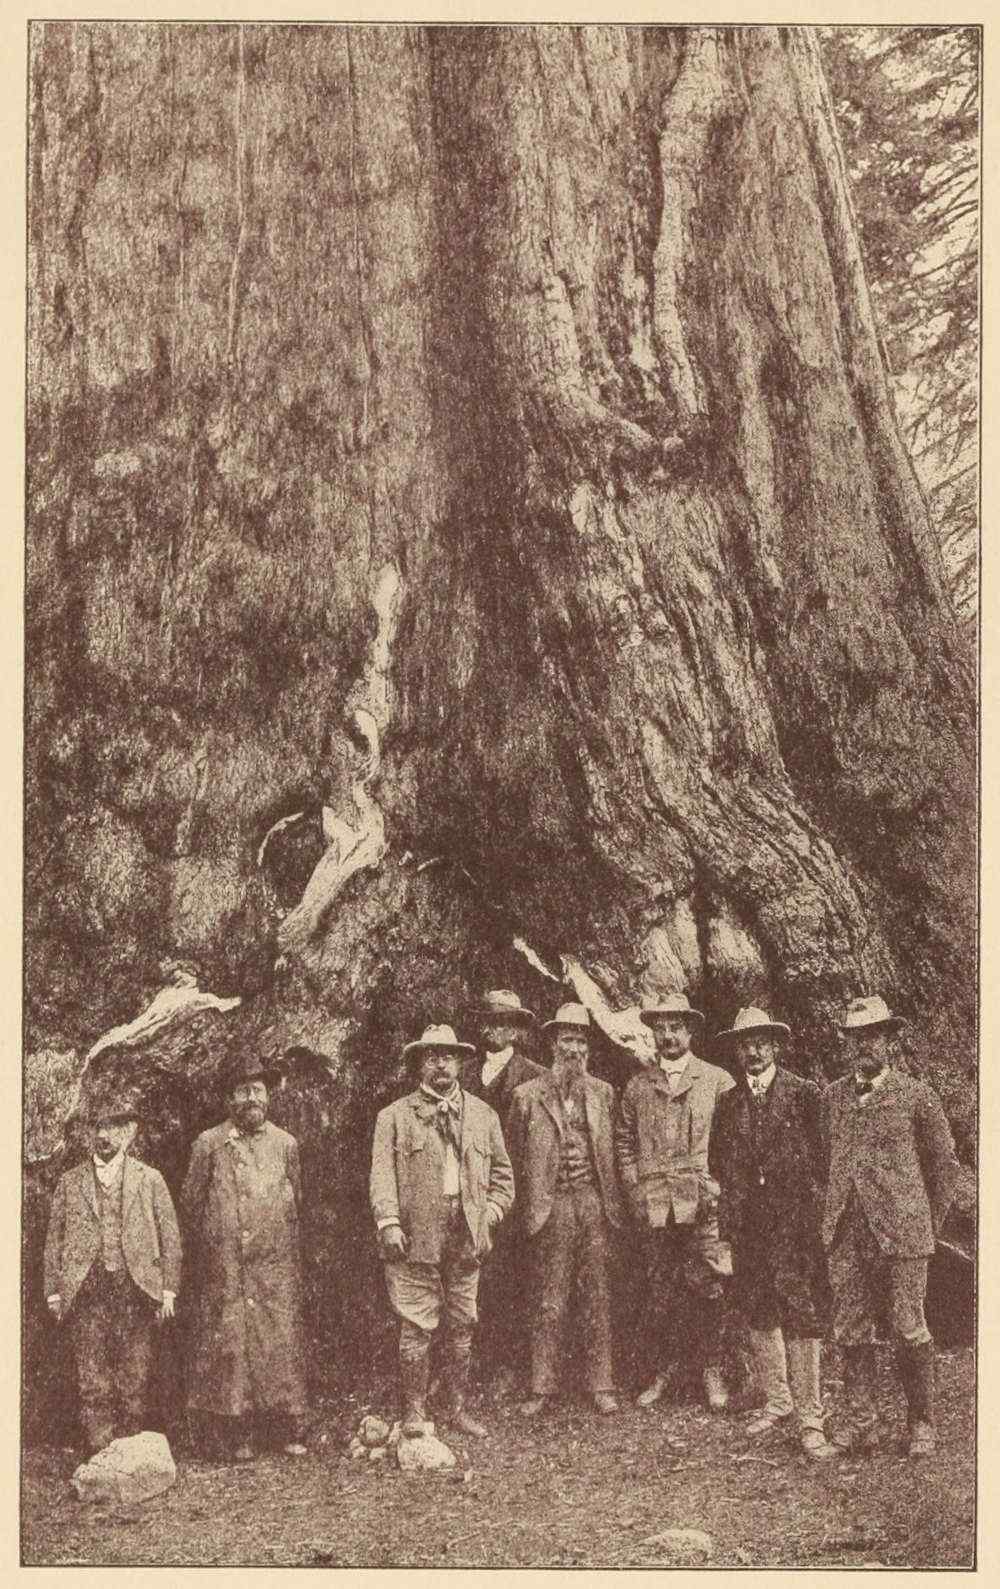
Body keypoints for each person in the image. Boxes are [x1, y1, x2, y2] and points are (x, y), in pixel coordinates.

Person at [822, 995, 959, 1457]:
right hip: (847, 1232)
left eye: (873, 1036)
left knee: (907, 1325)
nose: (864, 1045)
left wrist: (925, 1224)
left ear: (890, 1040)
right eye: (856, 1037)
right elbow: (828, 1162)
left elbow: (944, 1167)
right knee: (851, 1328)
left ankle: (921, 1422)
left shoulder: (916, 1094)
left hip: (903, 1234)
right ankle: (865, 1424)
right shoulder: (834, 1097)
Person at [370, 1023, 515, 1437]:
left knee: (462, 1323)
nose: (441, 1066)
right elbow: (381, 1178)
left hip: (467, 1235)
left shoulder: (484, 1116)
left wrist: (490, 1213)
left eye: (448, 1057)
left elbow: (504, 1177)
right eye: (431, 1057)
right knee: (416, 1324)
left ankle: (456, 1408)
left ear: (461, 1063)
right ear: (419, 1064)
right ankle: (415, 1412)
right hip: (415, 1236)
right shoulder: (394, 1117)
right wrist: (389, 1222)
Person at [709, 1007, 837, 1459]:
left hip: (796, 1225)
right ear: (737, 1050)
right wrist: (727, 1232)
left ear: (776, 1046)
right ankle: (778, 1401)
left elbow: (825, 1165)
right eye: (745, 1043)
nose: (754, 1050)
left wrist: (818, 1223)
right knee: (761, 1312)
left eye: (761, 1041)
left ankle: (810, 1417)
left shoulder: (804, 1095)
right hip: (750, 1228)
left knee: (802, 1314)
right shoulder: (728, 1103)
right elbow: (719, 1169)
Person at [182, 1056, 310, 1462]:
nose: (251, 1098)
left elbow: (298, 1201)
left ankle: (285, 1427)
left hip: (274, 1267)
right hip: (228, 1269)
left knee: (279, 1344)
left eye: (258, 1090)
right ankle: (238, 1433)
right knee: (232, 1350)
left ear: (268, 1096)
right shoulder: (208, 1144)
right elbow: (191, 1204)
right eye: (242, 1091)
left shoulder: (286, 1144)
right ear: (228, 1099)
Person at [43, 1091, 181, 1455]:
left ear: (130, 1131)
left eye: (114, 1126)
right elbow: (53, 1240)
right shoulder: (70, 1182)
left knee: (134, 1373)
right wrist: (54, 1292)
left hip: (135, 1288)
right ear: (88, 1132)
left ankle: (129, 1451)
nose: (104, 1136)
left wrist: (167, 1291)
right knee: (92, 1377)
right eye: (97, 1127)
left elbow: (170, 1238)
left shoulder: (149, 1179)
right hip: (86, 1291)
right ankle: (100, 1451)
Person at [615, 992, 733, 1411]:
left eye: (676, 1027)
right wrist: (634, 1189)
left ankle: (711, 1370)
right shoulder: (637, 1086)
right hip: (654, 1206)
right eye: (660, 1028)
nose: (668, 1036)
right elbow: (624, 1142)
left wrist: (718, 1186)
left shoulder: (717, 1080)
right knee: (661, 1289)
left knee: (708, 1287)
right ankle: (665, 1371)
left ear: (691, 1030)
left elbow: (733, 1141)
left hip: (703, 1206)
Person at [506, 1002, 623, 1418]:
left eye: (581, 1040)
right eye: (567, 1039)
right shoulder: (526, 1096)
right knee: (548, 1298)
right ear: (553, 1043)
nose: (574, 1048)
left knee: (598, 1295)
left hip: (594, 1202)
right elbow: (515, 1156)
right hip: (549, 1205)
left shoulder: (605, 1092)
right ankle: (542, 1386)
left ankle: (602, 1384)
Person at [464, 989, 545, 1386]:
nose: (494, 1029)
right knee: (472, 1274)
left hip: (515, 1189)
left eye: (504, 1022)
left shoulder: (534, 1076)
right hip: (468, 1188)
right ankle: (474, 1362)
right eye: (489, 1021)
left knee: (513, 1276)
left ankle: (510, 1366)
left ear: (516, 1030)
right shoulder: (465, 1073)